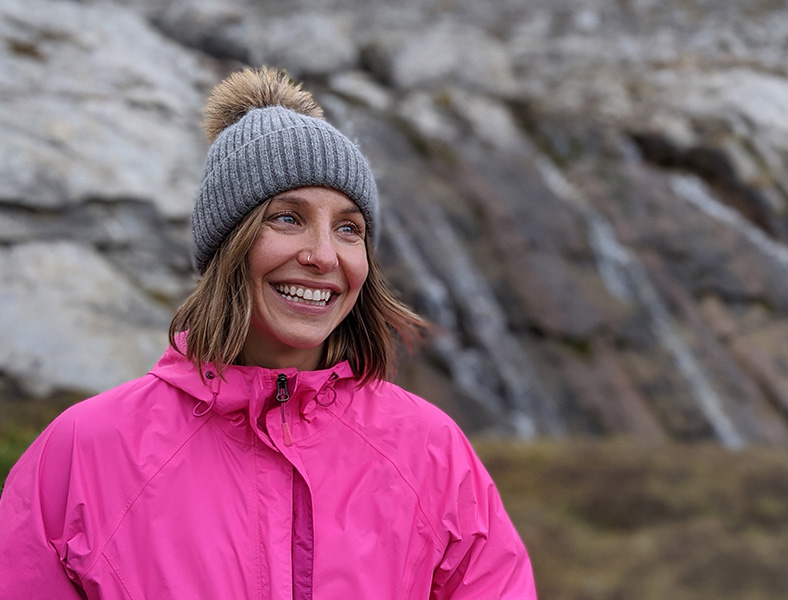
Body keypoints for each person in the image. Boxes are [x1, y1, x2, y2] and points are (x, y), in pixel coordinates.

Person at [0, 67, 537, 599]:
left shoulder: (433, 450)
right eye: (287, 218)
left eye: (349, 228)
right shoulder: (82, 453)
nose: (324, 255)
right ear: (226, 244)